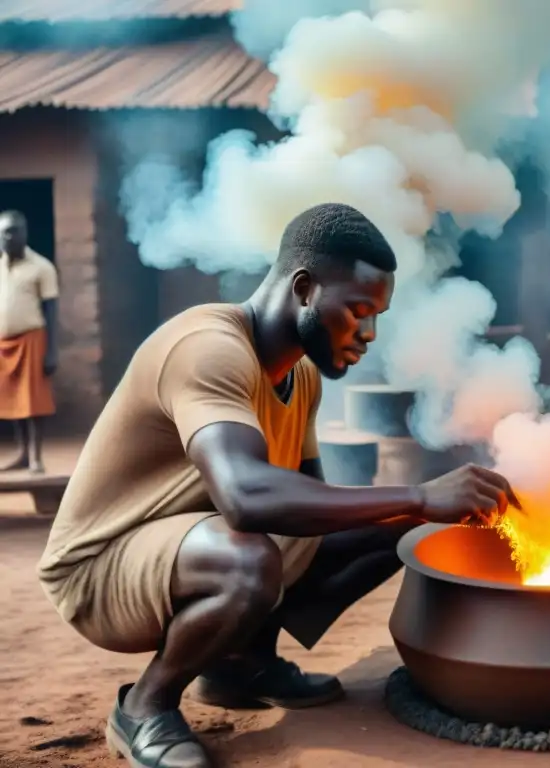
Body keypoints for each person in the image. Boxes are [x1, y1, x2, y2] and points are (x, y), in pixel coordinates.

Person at [38, 203, 519, 768]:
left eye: (378, 317)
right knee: (251, 559)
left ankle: (239, 666)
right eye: (359, 310)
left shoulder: (302, 377)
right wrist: (418, 494)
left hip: (193, 547)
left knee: (393, 529)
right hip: (101, 567)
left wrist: (417, 512)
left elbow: (306, 510)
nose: (368, 334)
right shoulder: (208, 350)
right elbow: (248, 500)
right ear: (306, 288)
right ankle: (145, 706)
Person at [0, 210, 59, 473]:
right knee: (13, 401)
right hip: (4, 344)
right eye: (4, 232)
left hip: (32, 340)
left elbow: (51, 311)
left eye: (14, 231)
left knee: (33, 401)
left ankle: (36, 457)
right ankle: (22, 454)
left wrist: (52, 351)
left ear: (24, 233)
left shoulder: (42, 267)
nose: (8, 237)